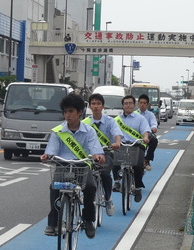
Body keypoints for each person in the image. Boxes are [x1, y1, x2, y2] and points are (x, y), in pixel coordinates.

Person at [41, 93, 105, 238]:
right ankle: (52, 223)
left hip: (82, 166)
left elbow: (95, 150)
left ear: (79, 112)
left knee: (90, 187)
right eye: (65, 111)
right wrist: (47, 156)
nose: (67, 115)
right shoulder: (58, 131)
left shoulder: (89, 131)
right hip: (63, 166)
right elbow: (52, 150)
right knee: (54, 188)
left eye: (71, 111)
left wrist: (98, 156)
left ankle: (88, 220)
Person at [83, 93, 122, 216]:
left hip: (106, 152)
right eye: (93, 104)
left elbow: (117, 134)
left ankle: (108, 199)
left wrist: (117, 142)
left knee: (105, 174)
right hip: (90, 155)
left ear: (103, 106)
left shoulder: (110, 121)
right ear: (89, 106)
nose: (96, 106)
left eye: (98, 104)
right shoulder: (85, 122)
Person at [113, 95, 150, 202]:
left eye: (130, 103)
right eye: (125, 103)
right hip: (122, 145)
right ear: (122, 106)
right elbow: (112, 132)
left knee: (138, 165)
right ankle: (116, 181)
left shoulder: (140, 118)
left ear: (134, 105)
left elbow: (145, 131)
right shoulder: (117, 120)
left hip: (136, 144)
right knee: (113, 159)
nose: (128, 105)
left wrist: (146, 138)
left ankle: (138, 188)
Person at [137, 94, 159, 171]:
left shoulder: (150, 115)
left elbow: (154, 124)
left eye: (144, 103)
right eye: (141, 102)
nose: (142, 105)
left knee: (154, 140)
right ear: (138, 103)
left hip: (147, 135)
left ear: (147, 104)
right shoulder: (134, 114)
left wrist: (153, 128)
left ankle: (146, 161)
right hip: (135, 135)